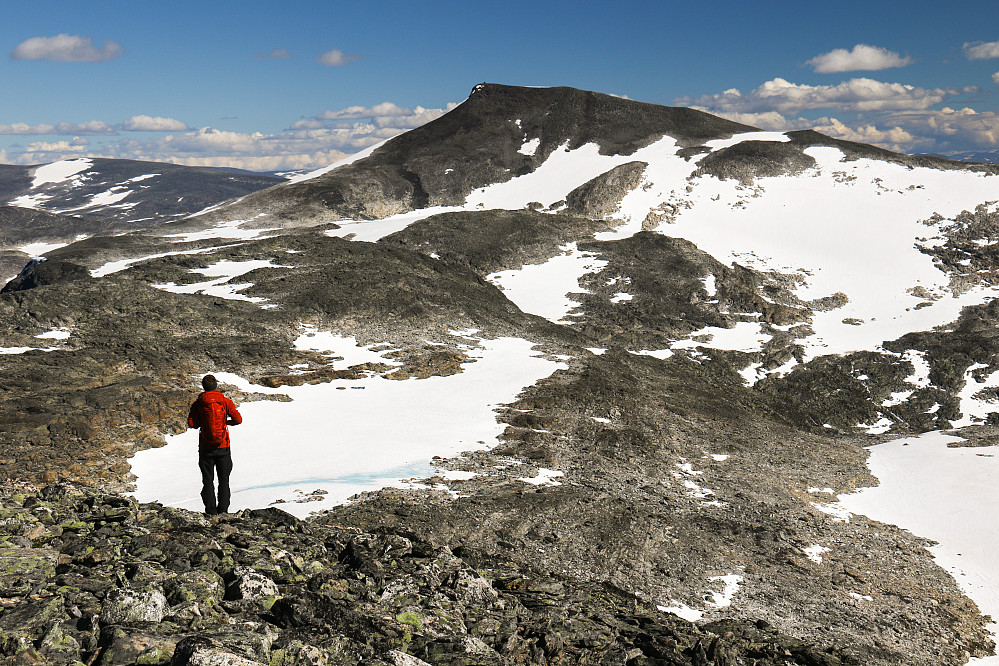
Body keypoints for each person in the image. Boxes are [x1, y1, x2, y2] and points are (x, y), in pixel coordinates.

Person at [187, 374, 242, 515]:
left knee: (207, 480)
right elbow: (238, 419)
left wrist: (202, 424)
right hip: (223, 447)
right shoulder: (225, 402)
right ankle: (223, 510)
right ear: (215, 386)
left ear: (203, 387)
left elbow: (192, 423)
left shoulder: (198, 403)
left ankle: (211, 512)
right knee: (224, 481)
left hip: (205, 449)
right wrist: (225, 422)